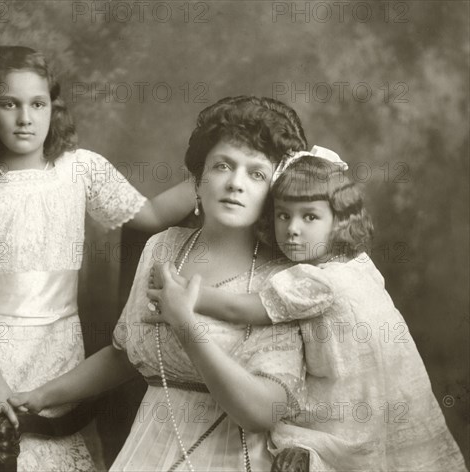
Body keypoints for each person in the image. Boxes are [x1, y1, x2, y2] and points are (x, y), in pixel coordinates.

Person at [0, 46, 195, 472]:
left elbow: (149, 215)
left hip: (53, 344)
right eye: (10, 104)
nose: (25, 118)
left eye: (37, 104)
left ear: (52, 108)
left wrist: (211, 175)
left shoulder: (81, 169)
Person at [9, 96, 310, 471]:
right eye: (223, 166)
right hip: (146, 451)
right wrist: (41, 395)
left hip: (233, 456)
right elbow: (125, 355)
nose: (235, 183)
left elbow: (263, 412)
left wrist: (185, 324)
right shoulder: (162, 248)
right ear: (198, 180)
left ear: (273, 192)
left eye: (256, 173)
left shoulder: (284, 278)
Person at [148, 149, 468, 471]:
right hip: (391, 396)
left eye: (309, 217)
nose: (292, 229)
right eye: (283, 215)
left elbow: (238, 308)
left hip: (350, 406)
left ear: (340, 220)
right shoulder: (359, 264)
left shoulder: (314, 281)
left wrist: (187, 294)